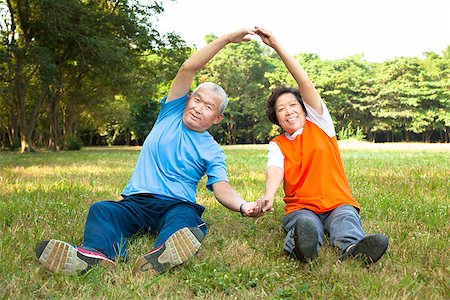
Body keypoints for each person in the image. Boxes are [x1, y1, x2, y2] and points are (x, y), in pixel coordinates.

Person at [35, 28, 262, 276]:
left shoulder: (213, 150)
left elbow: (222, 188)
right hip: (137, 201)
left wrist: (244, 206)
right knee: (103, 209)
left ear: (217, 118)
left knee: (183, 223)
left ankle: (162, 253)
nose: (198, 108)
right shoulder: (171, 112)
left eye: (208, 107)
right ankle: (97, 255)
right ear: (188, 100)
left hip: (177, 204)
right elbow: (187, 69)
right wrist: (227, 39)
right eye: (197, 100)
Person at [254, 27, 388, 265]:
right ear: (276, 118)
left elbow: (303, 80)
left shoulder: (321, 124)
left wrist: (276, 45)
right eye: (281, 109)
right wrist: (268, 194)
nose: (288, 111)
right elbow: (275, 169)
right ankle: (302, 248)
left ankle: (354, 251)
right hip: (302, 206)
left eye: (293, 105)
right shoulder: (278, 144)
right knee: (306, 224)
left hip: (337, 201)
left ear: (304, 108)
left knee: (346, 219)